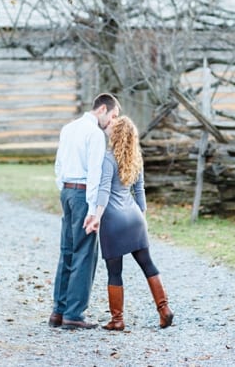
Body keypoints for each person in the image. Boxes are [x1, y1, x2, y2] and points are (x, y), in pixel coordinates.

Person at [85, 116, 174, 330]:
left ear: (116, 135)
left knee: (115, 272)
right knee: (148, 264)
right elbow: (140, 190)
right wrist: (142, 218)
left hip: (114, 222)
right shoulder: (137, 158)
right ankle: (164, 310)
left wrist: (96, 216)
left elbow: (105, 190)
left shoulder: (109, 158)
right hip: (135, 218)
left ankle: (117, 321)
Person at [49, 93, 121, 330]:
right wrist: (93, 209)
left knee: (67, 250)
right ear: (102, 109)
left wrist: (64, 188)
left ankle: (58, 312)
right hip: (82, 194)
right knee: (84, 253)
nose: (112, 122)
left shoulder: (69, 128)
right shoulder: (95, 134)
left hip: (67, 192)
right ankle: (74, 314)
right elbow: (94, 174)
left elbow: (58, 164)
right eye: (113, 116)